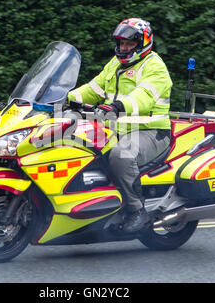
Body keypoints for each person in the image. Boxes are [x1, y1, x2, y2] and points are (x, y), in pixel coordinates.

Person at [68, 18, 173, 233]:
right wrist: (64, 98)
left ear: (143, 43)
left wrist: (117, 106)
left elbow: (142, 97)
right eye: (121, 43)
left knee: (121, 154)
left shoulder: (155, 67)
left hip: (150, 131)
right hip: (115, 128)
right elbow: (92, 88)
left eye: (129, 44)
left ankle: (137, 211)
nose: (123, 48)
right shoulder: (115, 64)